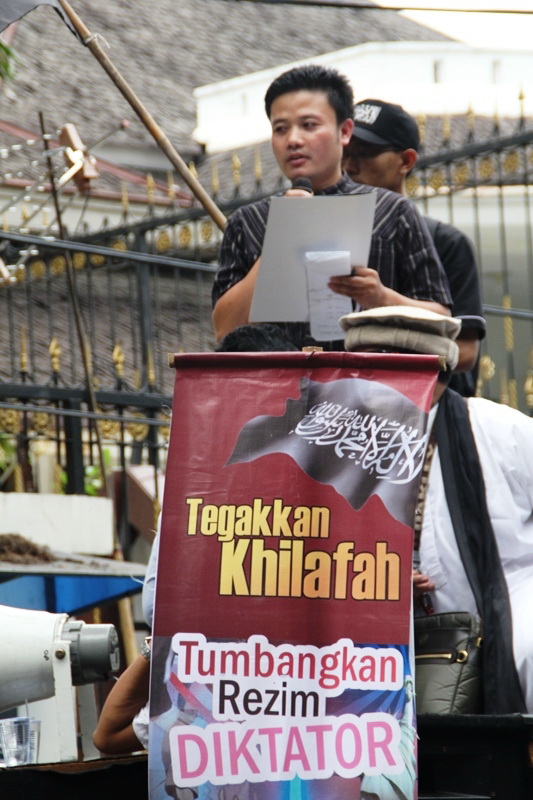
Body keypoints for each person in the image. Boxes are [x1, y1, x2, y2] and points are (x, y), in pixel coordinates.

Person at [341, 305, 532, 714]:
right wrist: (374, 579)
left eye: (392, 370)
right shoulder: (335, 442)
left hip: (513, 609)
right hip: (374, 627)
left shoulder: (504, 430)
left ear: (434, 371)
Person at [212, 64, 452, 350]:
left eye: (309, 125)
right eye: (281, 129)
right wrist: (282, 236)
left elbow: (442, 320)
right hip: (276, 377)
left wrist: (381, 298)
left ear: (345, 131)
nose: (293, 140)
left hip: (367, 377)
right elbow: (224, 329)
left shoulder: (392, 211)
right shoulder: (247, 222)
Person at [343, 99, 486, 395]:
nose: (350, 166)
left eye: (365, 154)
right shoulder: (336, 235)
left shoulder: (446, 242)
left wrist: (383, 302)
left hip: (428, 405)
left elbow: (465, 351)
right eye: (345, 153)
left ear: (406, 161)